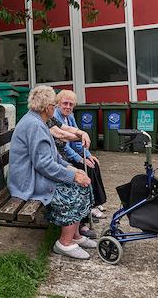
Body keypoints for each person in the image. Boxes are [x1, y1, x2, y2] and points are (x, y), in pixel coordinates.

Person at [8, 85, 97, 259]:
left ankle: (76, 236)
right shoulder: (34, 125)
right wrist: (73, 176)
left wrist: (71, 168)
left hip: (35, 173)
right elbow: (44, 164)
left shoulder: (39, 121)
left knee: (83, 184)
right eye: (54, 105)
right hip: (28, 181)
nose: (55, 108)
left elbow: (53, 157)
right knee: (74, 192)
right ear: (47, 107)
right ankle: (64, 244)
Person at [53, 90, 107, 223]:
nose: (68, 107)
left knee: (93, 163)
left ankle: (97, 201)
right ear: (58, 103)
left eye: (71, 104)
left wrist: (88, 155)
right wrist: (80, 159)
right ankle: (91, 206)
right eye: (65, 103)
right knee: (85, 168)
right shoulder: (55, 117)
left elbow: (78, 139)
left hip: (71, 153)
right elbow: (63, 145)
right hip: (63, 156)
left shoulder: (70, 116)